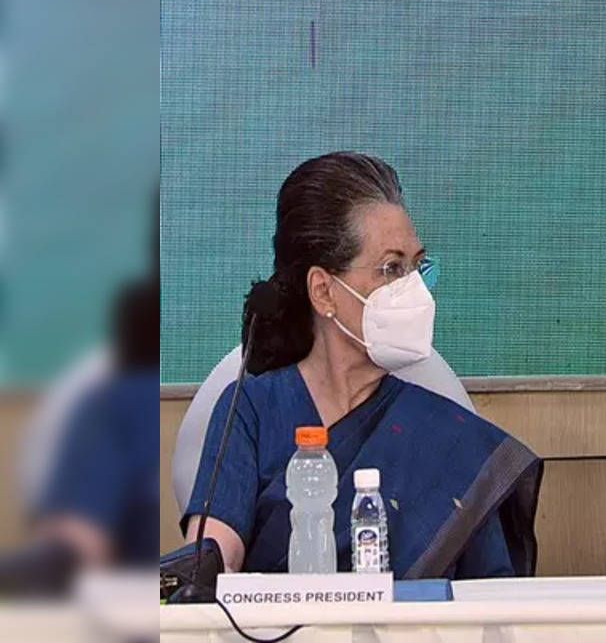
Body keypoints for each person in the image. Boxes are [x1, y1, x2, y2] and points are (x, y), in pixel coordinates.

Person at [181, 152, 541, 579]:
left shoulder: (450, 439)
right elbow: (211, 562)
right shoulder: (253, 407)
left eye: (416, 267)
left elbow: (487, 601)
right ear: (324, 292)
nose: (414, 289)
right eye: (391, 268)